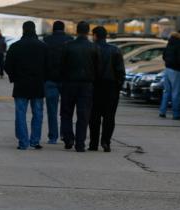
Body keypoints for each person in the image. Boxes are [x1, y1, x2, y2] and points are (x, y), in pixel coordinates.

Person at [5, 21, 48, 150]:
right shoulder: (43, 47)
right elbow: (49, 66)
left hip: (21, 85)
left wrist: (14, 78)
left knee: (20, 114)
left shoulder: (15, 46)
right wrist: (43, 79)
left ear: (23, 30)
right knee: (38, 114)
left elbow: (7, 66)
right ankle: (35, 141)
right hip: (38, 85)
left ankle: (23, 142)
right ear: (34, 30)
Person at [60, 21, 101, 152]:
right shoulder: (94, 47)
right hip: (86, 85)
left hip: (69, 84)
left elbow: (62, 66)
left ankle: (68, 139)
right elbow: (98, 68)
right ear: (88, 31)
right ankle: (80, 144)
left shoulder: (67, 46)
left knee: (66, 113)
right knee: (83, 115)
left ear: (77, 31)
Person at [89, 26, 125, 152]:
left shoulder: (91, 49)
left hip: (94, 87)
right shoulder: (115, 50)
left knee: (94, 116)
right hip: (111, 87)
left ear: (95, 36)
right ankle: (106, 142)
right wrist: (118, 86)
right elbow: (120, 71)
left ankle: (93, 143)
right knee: (109, 117)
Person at [43, 21, 73, 144]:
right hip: (67, 80)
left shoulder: (46, 40)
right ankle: (65, 134)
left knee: (52, 110)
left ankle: (53, 137)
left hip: (50, 79)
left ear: (53, 29)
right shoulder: (70, 40)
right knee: (66, 110)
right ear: (63, 29)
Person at [161, 31, 180, 120]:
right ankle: (176, 114)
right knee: (176, 92)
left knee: (166, 91)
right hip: (176, 70)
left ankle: (162, 111)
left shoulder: (169, 43)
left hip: (167, 69)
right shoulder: (179, 44)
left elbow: (164, 56)